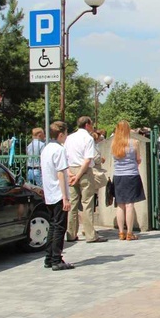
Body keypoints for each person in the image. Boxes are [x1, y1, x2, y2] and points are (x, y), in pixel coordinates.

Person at [64, 116, 107, 243]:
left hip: (71, 169)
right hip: (84, 171)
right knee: (87, 203)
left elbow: (64, 157)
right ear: (87, 125)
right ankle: (90, 234)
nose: (92, 126)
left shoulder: (70, 138)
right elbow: (88, 159)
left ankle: (71, 233)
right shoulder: (87, 138)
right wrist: (79, 175)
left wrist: (69, 173)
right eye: (91, 124)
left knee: (73, 204)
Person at [41, 121, 73, 271]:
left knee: (53, 226)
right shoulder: (59, 150)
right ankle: (56, 259)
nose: (66, 137)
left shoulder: (46, 149)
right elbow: (61, 173)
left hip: (49, 193)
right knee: (60, 227)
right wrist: (65, 197)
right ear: (61, 134)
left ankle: (49, 257)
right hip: (58, 193)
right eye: (66, 134)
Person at [111, 120, 146, 241]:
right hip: (131, 175)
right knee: (130, 205)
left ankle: (121, 232)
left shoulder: (114, 144)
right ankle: (130, 233)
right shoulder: (134, 143)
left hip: (118, 176)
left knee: (120, 205)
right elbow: (138, 159)